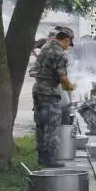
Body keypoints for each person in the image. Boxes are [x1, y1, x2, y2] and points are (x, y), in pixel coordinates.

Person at [32, 25, 77, 167]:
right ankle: (50, 160)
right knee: (51, 126)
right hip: (49, 93)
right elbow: (63, 78)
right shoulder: (60, 54)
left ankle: (41, 157)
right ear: (66, 39)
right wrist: (70, 87)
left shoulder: (46, 46)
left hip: (38, 89)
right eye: (69, 44)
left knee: (40, 125)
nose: (68, 47)